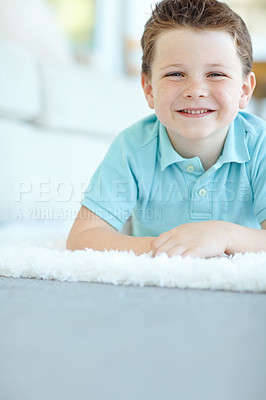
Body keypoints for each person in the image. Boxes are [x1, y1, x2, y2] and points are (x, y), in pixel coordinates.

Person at [67, 0, 266, 258]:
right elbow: (81, 237)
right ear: (149, 89)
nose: (195, 90)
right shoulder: (131, 147)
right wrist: (173, 249)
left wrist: (223, 235)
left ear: (244, 90)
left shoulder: (260, 144)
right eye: (175, 74)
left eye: (215, 74)